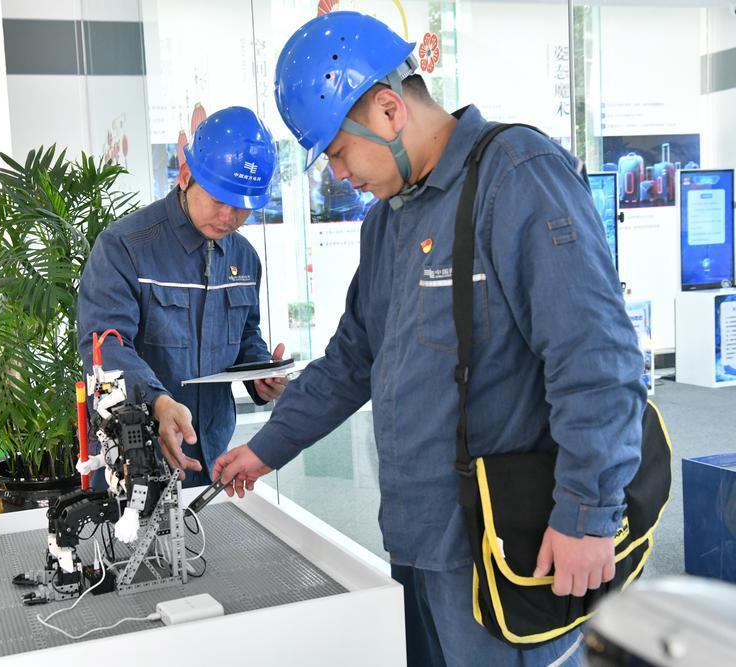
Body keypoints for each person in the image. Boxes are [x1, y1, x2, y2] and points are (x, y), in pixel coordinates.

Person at [208, 12, 645, 666]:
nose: (337, 175)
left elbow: (598, 358)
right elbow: (352, 359)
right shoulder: (387, 223)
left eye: (337, 152)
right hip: (418, 542)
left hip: (505, 544)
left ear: (389, 111)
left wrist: (587, 514)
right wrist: (266, 448)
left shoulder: (518, 177)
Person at [78, 106, 287, 488]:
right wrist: (157, 402)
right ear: (186, 174)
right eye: (219, 200)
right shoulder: (125, 247)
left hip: (213, 460)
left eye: (243, 206)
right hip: (136, 462)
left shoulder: (243, 258)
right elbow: (105, 347)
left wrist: (261, 373)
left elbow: (245, 335)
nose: (229, 217)